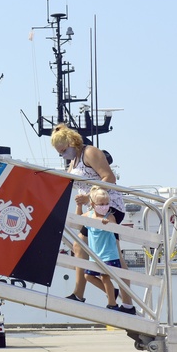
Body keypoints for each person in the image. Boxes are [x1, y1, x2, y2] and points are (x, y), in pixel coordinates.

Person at [51, 124, 135, 313]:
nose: (63, 155)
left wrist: (89, 197)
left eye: (63, 151)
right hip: (92, 209)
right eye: (60, 153)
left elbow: (109, 178)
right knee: (78, 246)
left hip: (108, 207)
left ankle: (127, 303)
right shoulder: (75, 161)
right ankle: (81, 294)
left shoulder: (90, 152)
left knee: (116, 256)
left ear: (72, 142)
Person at [80, 186, 127, 311]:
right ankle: (112, 292)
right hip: (95, 255)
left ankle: (112, 303)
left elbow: (114, 225)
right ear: (93, 204)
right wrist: (79, 206)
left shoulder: (109, 216)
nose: (105, 206)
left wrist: (108, 223)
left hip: (108, 254)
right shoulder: (89, 215)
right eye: (101, 204)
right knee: (87, 276)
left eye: (107, 204)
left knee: (105, 277)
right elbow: (78, 217)